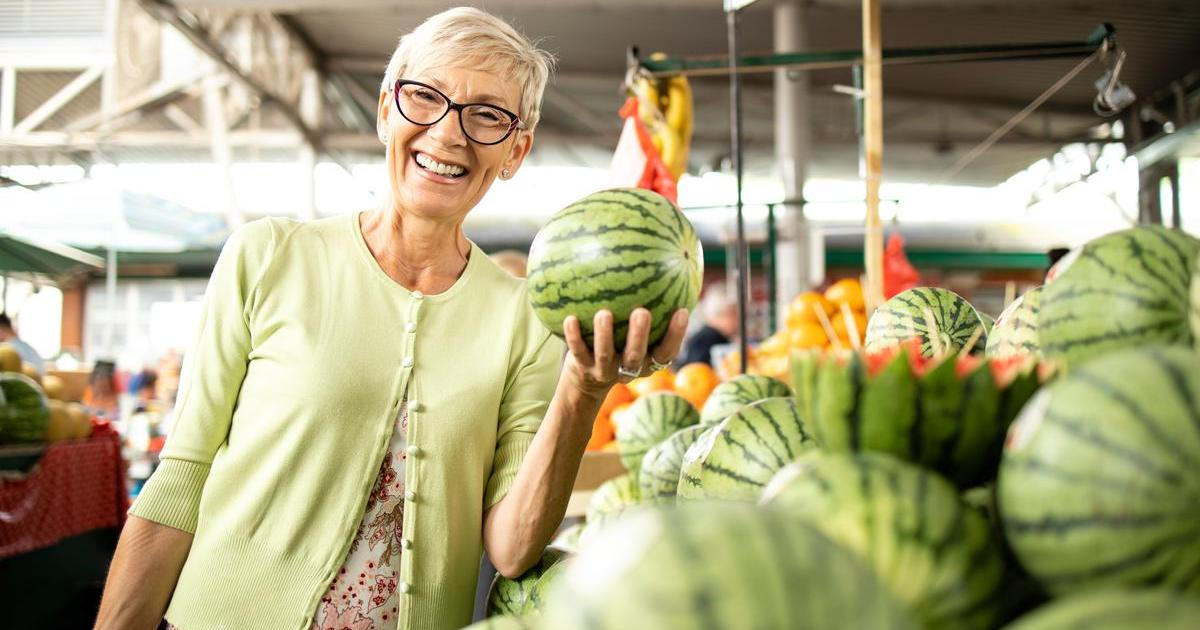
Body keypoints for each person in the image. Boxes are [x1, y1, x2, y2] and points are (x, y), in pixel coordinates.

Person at [94, 8, 688, 630]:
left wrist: (583, 391)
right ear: (386, 111)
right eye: (425, 97)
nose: (449, 134)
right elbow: (181, 480)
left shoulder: (525, 318)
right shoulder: (268, 257)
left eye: (488, 115)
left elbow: (512, 548)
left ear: (516, 150)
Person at [676, 283, 739, 368]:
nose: (738, 319)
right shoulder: (708, 339)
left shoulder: (712, 336)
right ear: (721, 314)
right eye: (734, 313)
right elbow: (698, 371)